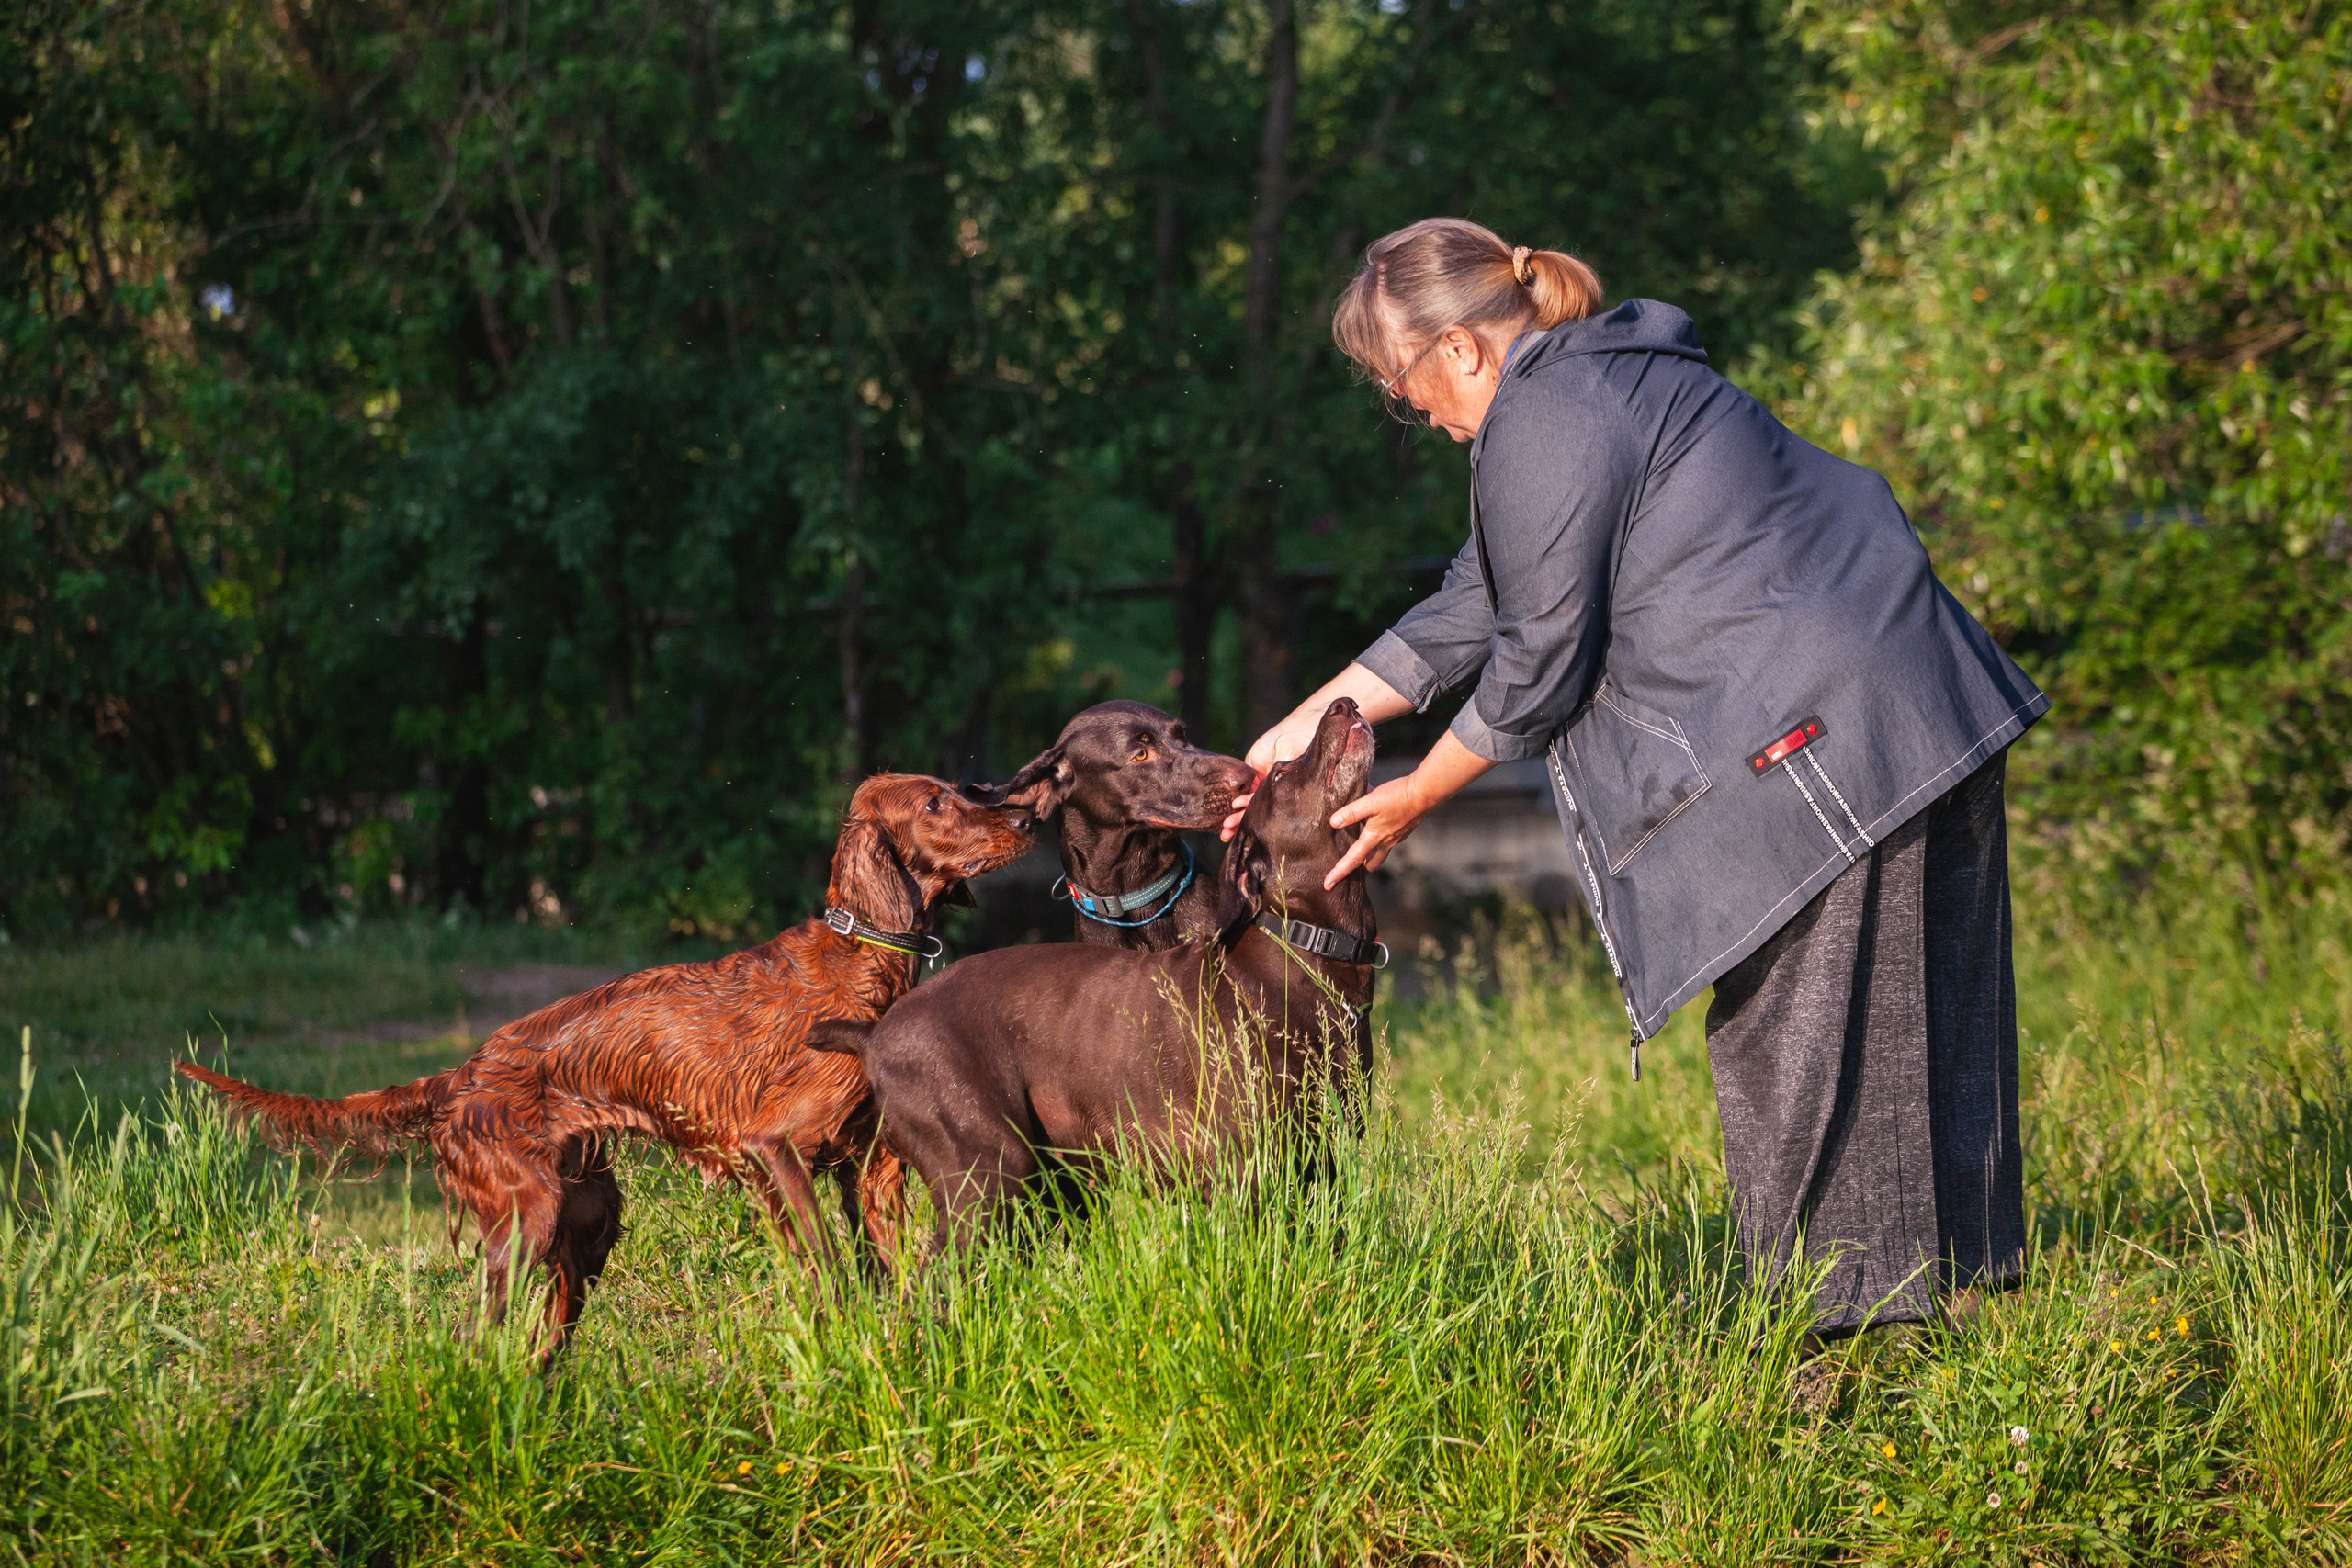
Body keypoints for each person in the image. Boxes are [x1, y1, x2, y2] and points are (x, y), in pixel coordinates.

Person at [1231, 217, 2047, 1341]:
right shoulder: (1597, 381)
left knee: (1796, 1033)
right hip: (1913, 697)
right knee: (1912, 1011)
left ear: (1459, 350)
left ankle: (1837, 1355)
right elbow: (1477, 602)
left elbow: (1538, 653)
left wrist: (1418, 792)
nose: (1409, 411)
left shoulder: (1548, 415)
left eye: (1398, 382)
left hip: (1820, 728)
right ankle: (1945, 1330)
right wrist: (1294, 733)